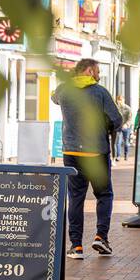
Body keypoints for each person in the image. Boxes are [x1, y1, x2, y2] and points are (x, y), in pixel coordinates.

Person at [52, 58, 123, 260]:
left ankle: (76, 247)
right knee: (104, 195)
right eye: (98, 71)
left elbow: (54, 98)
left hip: (71, 153)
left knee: (75, 198)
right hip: (96, 153)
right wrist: (106, 128)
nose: (99, 76)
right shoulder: (99, 92)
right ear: (90, 71)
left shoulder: (64, 90)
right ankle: (101, 237)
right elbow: (117, 119)